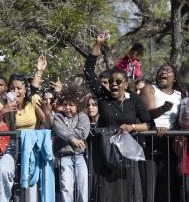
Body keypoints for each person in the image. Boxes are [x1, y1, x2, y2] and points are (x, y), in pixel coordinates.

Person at [84, 35, 151, 202]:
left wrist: (132, 127)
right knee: (107, 195)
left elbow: (149, 124)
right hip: (106, 154)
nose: (114, 84)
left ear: (126, 85)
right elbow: (88, 71)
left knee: (129, 194)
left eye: (118, 81)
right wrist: (97, 45)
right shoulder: (103, 96)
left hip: (128, 154)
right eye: (112, 81)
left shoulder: (134, 99)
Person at [0, 71, 52, 201]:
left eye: (19, 88)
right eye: (12, 88)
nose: (16, 91)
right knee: (2, 170)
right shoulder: (4, 104)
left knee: (30, 185)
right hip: (14, 144)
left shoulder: (33, 100)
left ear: (25, 90)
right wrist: (3, 112)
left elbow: (48, 125)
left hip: (32, 147)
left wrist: (48, 113)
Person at [140, 63, 186, 202]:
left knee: (168, 185)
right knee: (151, 185)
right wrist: (163, 109)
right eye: (160, 69)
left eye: (167, 70)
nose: (163, 72)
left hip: (172, 142)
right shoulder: (150, 89)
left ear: (175, 79)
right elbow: (148, 114)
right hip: (152, 138)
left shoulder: (181, 95)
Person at [53, 86, 90, 202]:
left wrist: (67, 135)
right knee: (66, 188)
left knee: (82, 187)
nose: (68, 108)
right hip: (65, 157)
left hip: (80, 156)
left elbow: (83, 133)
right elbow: (59, 129)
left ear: (78, 105)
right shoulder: (58, 116)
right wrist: (72, 138)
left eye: (71, 105)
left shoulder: (83, 116)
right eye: (65, 104)